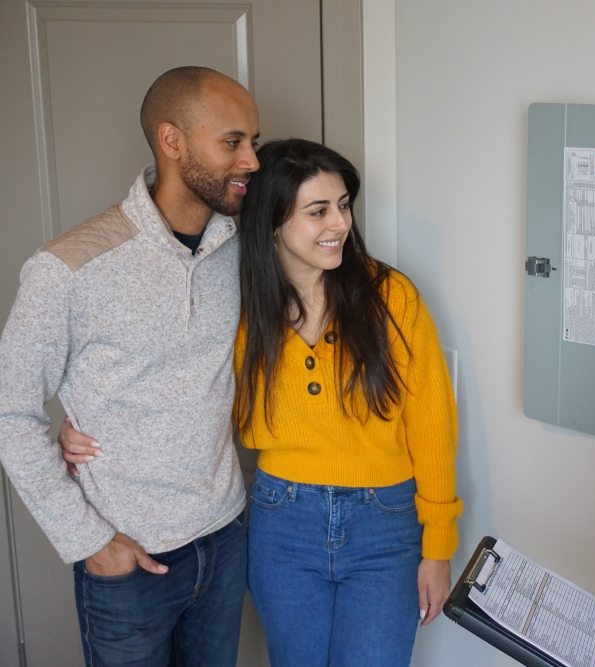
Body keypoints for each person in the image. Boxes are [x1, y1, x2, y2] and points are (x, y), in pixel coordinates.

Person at [64, 138, 462, 666]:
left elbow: (432, 426)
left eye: (344, 205)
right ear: (272, 222)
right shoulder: (236, 303)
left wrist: (438, 546)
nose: (340, 223)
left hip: (385, 524)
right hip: (283, 523)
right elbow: (174, 385)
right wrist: (93, 427)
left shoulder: (391, 296)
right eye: (318, 210)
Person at [0, 66, 259, 666]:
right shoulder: (66, 268)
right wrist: (87, 541)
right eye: (232, 142)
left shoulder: (243, 250)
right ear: (172, 142)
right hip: (128, 562)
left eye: (253, 143)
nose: (249, 160)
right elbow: (11, 411)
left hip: (224, 539)